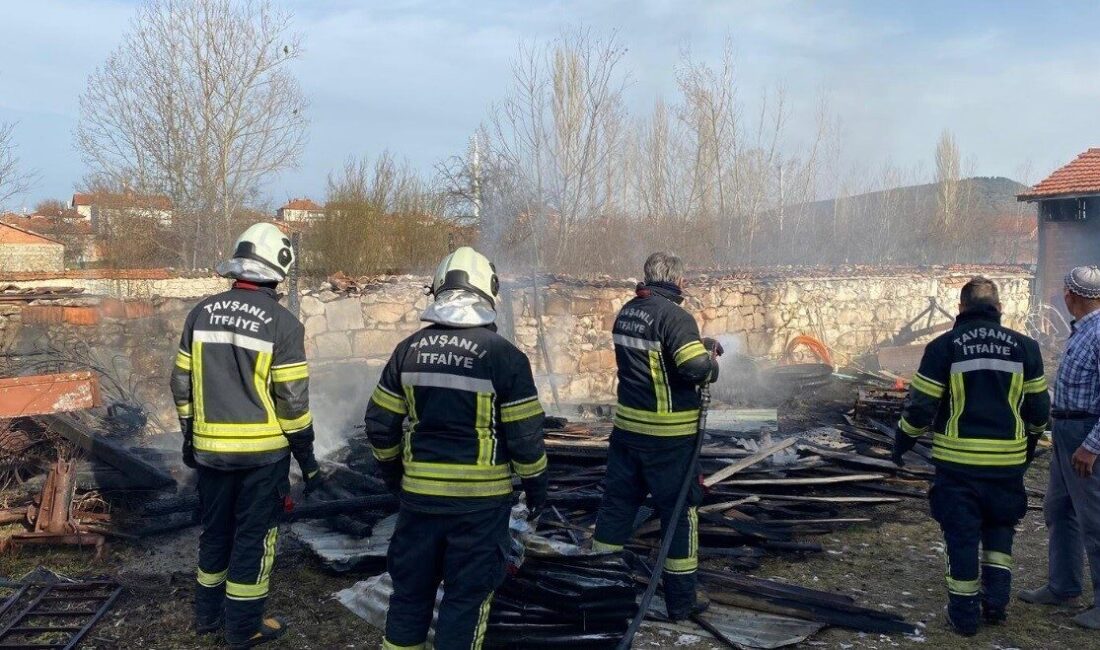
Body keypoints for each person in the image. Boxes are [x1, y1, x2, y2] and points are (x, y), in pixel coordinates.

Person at [364, 246, 548, 650]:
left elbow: (379, 425)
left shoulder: (407, 350)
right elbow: (526, 439)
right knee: (464, 604)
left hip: (419, 503)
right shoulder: (505, 356)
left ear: (439, 290)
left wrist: (395, 476)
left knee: (409, 597)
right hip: (478, 510)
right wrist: (537, 491)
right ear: (488, 291)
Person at [170, 223, 320, 648]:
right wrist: (307, 461)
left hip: (211, 453)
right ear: (278, 269)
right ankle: (243, 628)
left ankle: (206, 616)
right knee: (254, 539)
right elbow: (292, 402)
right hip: (262, 458)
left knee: (215, 531)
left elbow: (180, 384)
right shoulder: (283, 323)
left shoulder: (200, 313)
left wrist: (189, 437)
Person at [894, 276, 1049, 636]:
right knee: (999, 533)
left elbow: (920, 408)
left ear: (961, 308)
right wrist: (1028, 444)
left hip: (958, 467)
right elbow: (1040, 409)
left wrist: (902, 440)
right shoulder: (1026, 347)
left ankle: (964, 618)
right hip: (1007, 466)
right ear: (999, 309)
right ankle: (995, 605)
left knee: (962, 536)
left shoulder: (943, 346)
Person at [590, 252, 721, 621]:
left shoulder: (628, 311)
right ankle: (681, 600)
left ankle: (600, 588)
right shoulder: (676, 316)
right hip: (669, 439)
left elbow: (660, 357)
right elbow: (694, 367)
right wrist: (711, 363)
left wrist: (696, 343)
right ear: (678, 281)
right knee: (679, 515)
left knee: (616, 507)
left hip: (627, 432)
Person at [1020, 265, 1100, 629]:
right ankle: (1063, 585)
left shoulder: (1099, 333)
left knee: (1095, 520)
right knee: (1058, 508)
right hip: (1066, 430)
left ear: (1073, 296)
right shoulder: (1082, 331)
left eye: (1064, 295)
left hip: (1087, 436)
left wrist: (1091, 446)